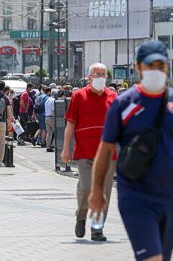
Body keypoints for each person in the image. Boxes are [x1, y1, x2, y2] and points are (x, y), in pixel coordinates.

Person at [89, 41, 173, 260]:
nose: (155, 70)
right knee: (151, 257)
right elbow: (105, 150)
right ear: (138, 67)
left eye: (160, 65)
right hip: (135, 195)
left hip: (170, 196)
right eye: (149, 65)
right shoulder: (123, 104)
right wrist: (97, 190)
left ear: (168, 66)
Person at [61, 63, 117, 242]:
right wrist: (65, 149)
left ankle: (97, 229)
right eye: (96, 74)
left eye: (103, 74)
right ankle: (81, 217)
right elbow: (70, 125)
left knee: (104, 193)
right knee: (85, 189)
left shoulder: (113, 97)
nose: (100, 77)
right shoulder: (79, 96)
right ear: (89, 77)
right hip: (85, 152)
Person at [44, 87, 55, 152]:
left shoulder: (47, 100)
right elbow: (53, 110)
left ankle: (48, 146)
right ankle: (53, 144)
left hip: (46, 117)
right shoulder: (53, 100)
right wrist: (54, 119)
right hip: (51, 117)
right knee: (57, 132)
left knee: (49, 133)